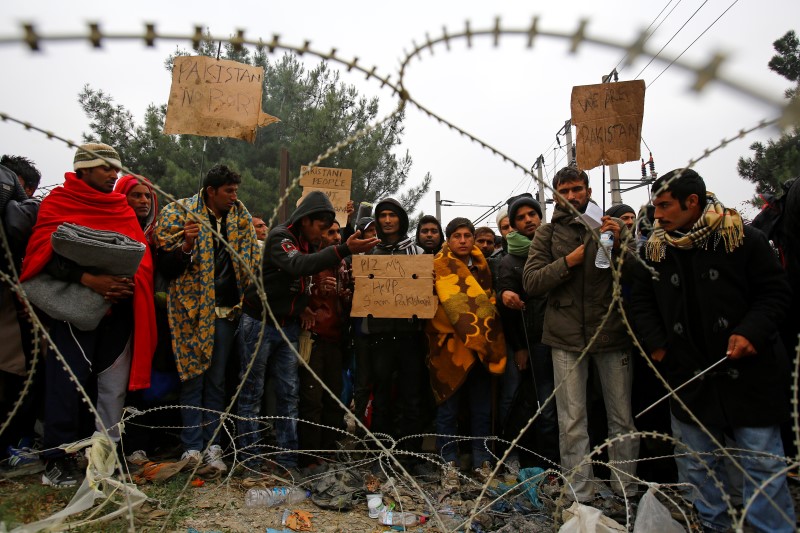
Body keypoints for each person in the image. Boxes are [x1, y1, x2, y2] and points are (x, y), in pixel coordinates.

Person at [631, 169, 796, 532]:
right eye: (655, 206)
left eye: (664, 205)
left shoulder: (742, 239)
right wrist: (658, 347)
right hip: (687, 374)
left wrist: (751, 331)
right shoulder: (655, 250)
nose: (657, 215)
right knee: (698, 465)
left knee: (761, 462)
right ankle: (713, 525)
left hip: (748, 373)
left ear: (693, 202)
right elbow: (640, 303)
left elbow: (775, 292)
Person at [20, 143, 156, 487]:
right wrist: (90, 279)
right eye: (105, 168)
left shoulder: (120, 208)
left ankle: (104, 456)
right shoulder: (59, 203)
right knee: (67, 384)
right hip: (75, 312)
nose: (113, 174)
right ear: (83, 169)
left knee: (113, 388)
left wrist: (126, 285)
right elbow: (41, 254)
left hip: (118, 313)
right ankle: (57, 459)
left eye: (115, 169)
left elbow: (140, 258)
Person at [238, 192, 377, 473]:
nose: (323, 234)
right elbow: (296, 266)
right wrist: (343, 249)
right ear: (306, 220)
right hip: (261, 323)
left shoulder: (306, 242)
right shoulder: (281, 237)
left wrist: (302, 306)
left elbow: (298, 282)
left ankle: (288, 458)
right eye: (321, 228)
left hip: (288, 324)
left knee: (290, 393)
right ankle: (249, 458)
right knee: (252, 392)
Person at [523, 166, 639, 503]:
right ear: (556, 195)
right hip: (564, 337)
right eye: (565, 191)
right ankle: (580, 495)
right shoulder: (547, 235)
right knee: (572, 420)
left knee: (621, 418)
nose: (572, 196)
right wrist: (569, 262)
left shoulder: (608, 227)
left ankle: (626, 492)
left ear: (588, 190)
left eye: (577, 189)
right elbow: (531, 282)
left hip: (611, 331)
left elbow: (640, 273)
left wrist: (620, 244)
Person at [155, 164, 260, 472]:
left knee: (216, 380)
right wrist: (187, 245)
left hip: (226, 313)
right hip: (190, 312)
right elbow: (167, 267)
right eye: (229, 191)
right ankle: (191, 448)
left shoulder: (240, 220)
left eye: (236, 191)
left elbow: (250, 263)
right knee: (191, 378)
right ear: (211, 191)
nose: (234, 197)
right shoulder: (180, 214)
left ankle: (213, 446)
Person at [427, 217, 506, 484]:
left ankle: (481, 461)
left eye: (467, 236)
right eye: (457, 236)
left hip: (481, 348)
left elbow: (489, 302)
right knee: (448, 409)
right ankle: (447, 463)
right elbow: (434, 308)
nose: (463, 240)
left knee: (481, 408)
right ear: (448, 240)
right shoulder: (437, 266)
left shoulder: (485, 267)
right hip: (448, 350)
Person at [496, 193, 558, 471]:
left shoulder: (555, 246)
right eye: (520, 217)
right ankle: (539, 461)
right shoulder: (510, 261)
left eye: (531, 214)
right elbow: (509, 311)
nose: (528, 220)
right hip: (534, 341)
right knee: (542, 404)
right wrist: (520, 346)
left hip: (564, 337)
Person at [363, 198, 428, 462]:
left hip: (410, 335)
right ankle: (381, 453)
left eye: (392, 215)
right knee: (381, 395)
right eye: (382, 215)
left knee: (411, 395)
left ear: (401, 219)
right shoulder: (369, 255)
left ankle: (410, 455)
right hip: (379, 335)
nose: (387, 220)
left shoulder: (419, 255)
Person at [298, 220, 352, 467]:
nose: (337, 237)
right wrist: (315, 292)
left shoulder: (341, 265)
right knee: (312, 399)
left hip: (336, 339)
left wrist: (347, 295)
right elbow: (295, 295)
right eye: (331, 232)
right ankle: (309, 456)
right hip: (315, 338)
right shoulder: (308, 261)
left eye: (339, 232)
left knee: (334, 399)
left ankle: (328, 451)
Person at [0, 156, 42, 469]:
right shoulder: (15, 203)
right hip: (9, 301)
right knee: (14, 370)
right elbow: (16, 226)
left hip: (14, 297)